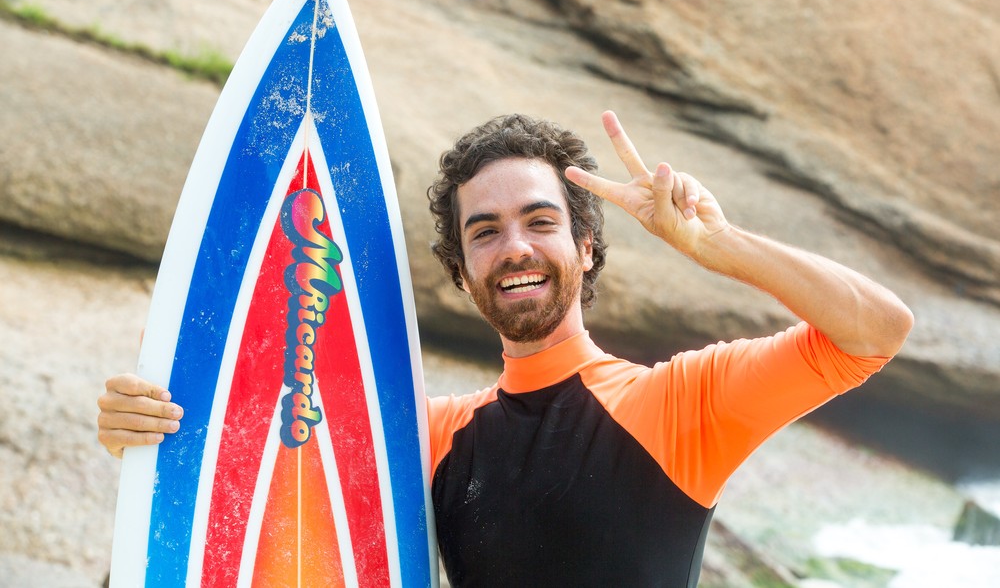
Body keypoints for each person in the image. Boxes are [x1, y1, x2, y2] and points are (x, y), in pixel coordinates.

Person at [98, 111, 913, 587]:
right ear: (462, 272)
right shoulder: (435, 436)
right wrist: (139, 427)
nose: (514, 246)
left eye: (540, 220)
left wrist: (720, 244)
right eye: (485, 232)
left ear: (585, 246)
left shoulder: (679, 405)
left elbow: (876, 331)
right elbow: (246, 461)